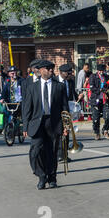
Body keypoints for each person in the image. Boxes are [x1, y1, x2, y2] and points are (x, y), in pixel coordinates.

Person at [22, 60, 69, 189]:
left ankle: (52, 177)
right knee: (35, 152)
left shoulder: (59, 86)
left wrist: (66, 126)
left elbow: (65, 108)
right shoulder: (32, 87)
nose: (51, 71)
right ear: (41, 70)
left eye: (52, 69)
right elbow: (27, 108)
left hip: (54, 123)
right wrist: (25, 126)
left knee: (52, 152)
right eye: (48, 69)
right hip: (37, 123)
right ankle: (41, 175)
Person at [89, 64, 109, 140]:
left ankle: (105, 130)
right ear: (97, 70)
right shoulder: (93, 77)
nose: (101, 72)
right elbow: (92, 88)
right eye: (100, 71)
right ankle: (96, 132)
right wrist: (100, 90)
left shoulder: (107, 77)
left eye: (103, 71)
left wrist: (108, 91)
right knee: (96, 118)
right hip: (96, 100)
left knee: (108, 116)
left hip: (105, 100)